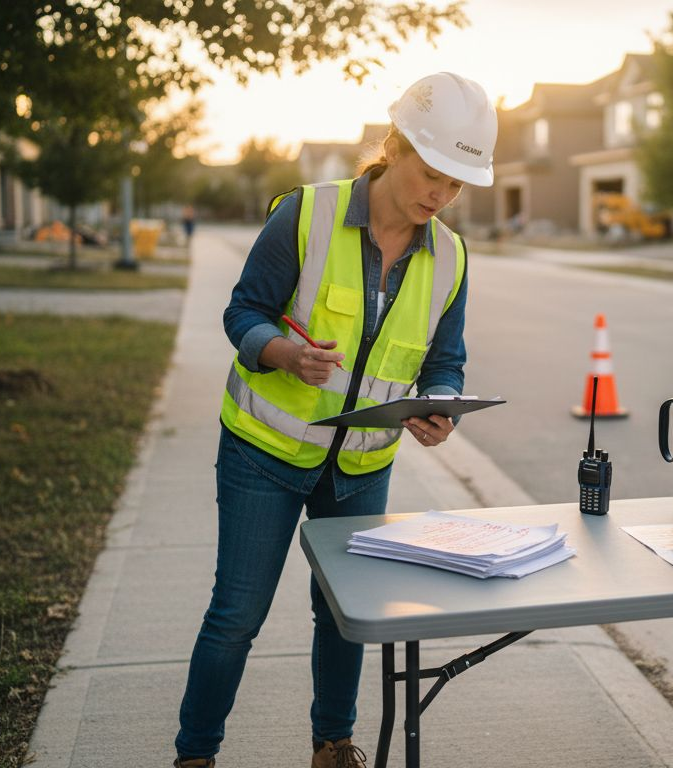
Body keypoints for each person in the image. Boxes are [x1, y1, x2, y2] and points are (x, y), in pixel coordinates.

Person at [172, 72, 497, 768]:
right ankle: (195, 756)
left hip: (360, 468)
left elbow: (446, 360)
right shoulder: (305, 214)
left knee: (344, 615)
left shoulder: (451, 256)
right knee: (237, 615)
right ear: (395, 145)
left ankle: (333, 746)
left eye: (456, 184)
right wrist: (283, 353)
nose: (440, 195)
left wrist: (441, 406)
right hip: (263, 454)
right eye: (432, 173)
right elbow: (243, 312)